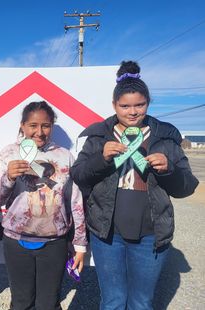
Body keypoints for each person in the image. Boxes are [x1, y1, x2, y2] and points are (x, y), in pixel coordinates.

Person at [70, 61, 199, 310]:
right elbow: (79, 176)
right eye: (125, 106)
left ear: (148, 103)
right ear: (114, 105)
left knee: (142, 302)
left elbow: (187, 187)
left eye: (139, 105)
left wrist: (169, 169)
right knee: (113, 301)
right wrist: (102, 159)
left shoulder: (165, 136)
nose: (132, 112)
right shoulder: (99, 136)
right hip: (107, 235)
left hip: (151, 236)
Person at [0, 101, 87, 310]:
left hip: (55, 243)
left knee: (48, 304)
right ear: (23, 126)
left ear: (52, 126)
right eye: (33, 125)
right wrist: (8, 178)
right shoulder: (9, 154)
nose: (39, 132)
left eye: (46, 125)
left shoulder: (64, 156)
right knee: (21, 302)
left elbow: (76, 202)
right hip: (16, 241)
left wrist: (80, 244)